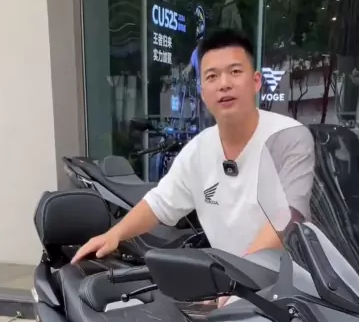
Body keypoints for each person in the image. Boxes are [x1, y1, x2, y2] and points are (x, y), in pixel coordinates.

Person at [72, 28, 315, 303]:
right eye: (212, 76)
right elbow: (160, 203)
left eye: (235, 72)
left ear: (256, 81)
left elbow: (287, 219)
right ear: (202, 91)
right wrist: (114, 235)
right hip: (236, 288)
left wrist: (240, 279)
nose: (224, 84)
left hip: (292, 291)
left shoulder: (289, 137)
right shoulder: (198, 150)